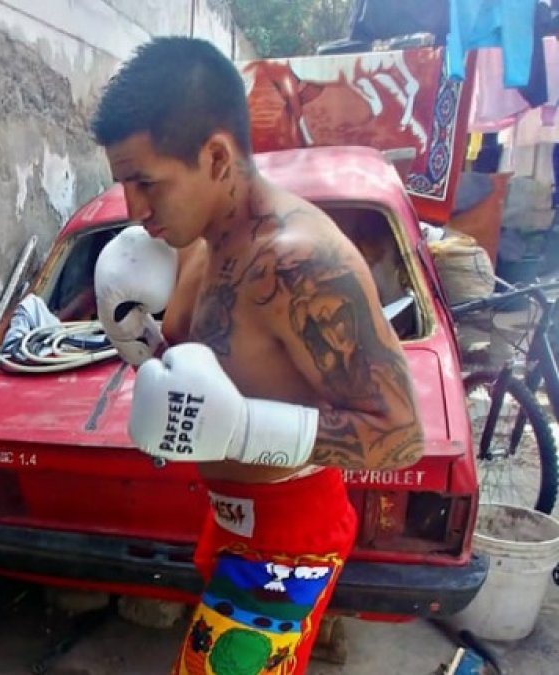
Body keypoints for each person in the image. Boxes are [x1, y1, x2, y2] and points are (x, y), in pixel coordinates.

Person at [90, 37, 426, 675]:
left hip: (287, 545)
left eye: (146, 182)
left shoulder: (300, 261)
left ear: (215, 156)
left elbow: (400, 434)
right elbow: (207, 381)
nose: (133, 209)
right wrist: (146, 346)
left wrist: (247, 428)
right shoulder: (193, 241)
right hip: (228, 523)